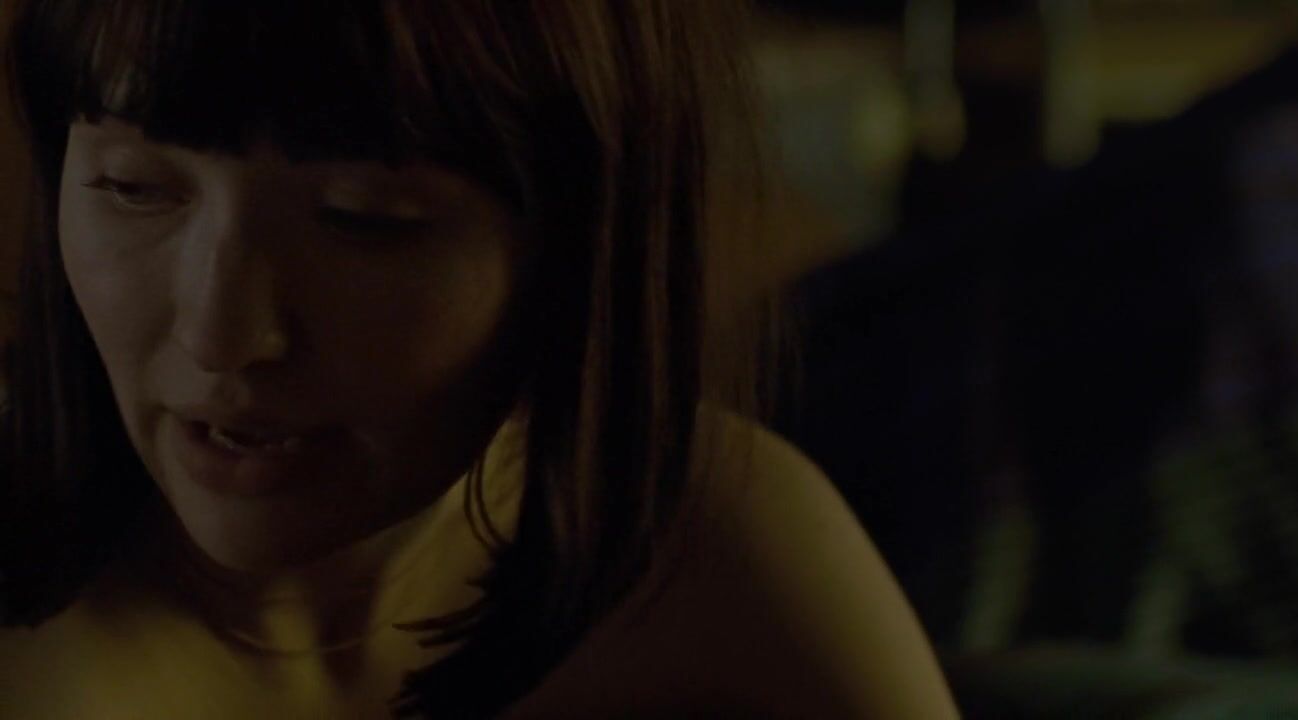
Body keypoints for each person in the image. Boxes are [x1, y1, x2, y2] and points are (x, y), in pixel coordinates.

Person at [0, 1, 959, 717]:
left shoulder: (715, 551)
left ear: (579, 241)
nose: (220, 335)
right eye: (132, 188)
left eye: (363, 220)